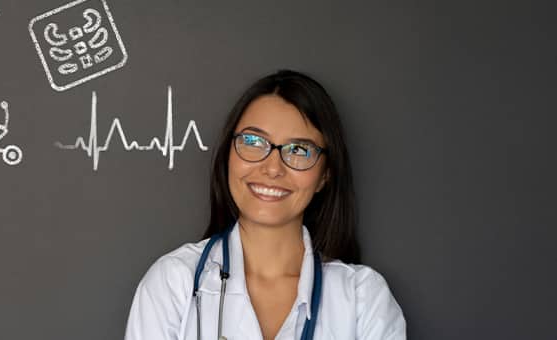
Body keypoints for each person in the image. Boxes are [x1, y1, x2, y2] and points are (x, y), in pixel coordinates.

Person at [124, 70, 406, 340]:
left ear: (325, 175)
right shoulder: (174, 282)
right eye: (253, 141)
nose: (273, 168)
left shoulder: (363, 299)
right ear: (228, 156)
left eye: (298, 150)